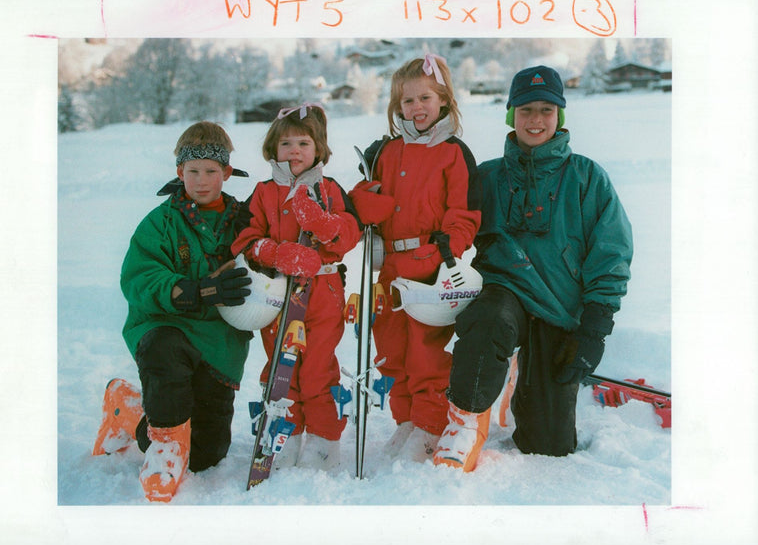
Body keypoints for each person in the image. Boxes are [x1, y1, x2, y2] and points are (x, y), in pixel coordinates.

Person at [433, 65, 634, 472]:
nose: (536, 120)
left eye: (546, 109)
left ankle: (517, 381)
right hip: (502, 295)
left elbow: (611, 253)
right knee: (487, 319)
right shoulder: (487, 177)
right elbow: (441, 216)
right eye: (526, 110)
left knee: (549, 445)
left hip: (560, 308)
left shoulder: (587, 177)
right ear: (511, 115)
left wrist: (594, 328)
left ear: (560, 114)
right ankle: (464, 424)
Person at [91, 121, 254, 502]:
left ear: (227, 173)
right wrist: (193, 290)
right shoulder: (160, 222)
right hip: (168, 326)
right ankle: (163, 448)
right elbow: (140, 278)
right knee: (164, 351)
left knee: (206, 454)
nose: (201, 180)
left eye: (211, 171)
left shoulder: (245, 220)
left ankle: (128, 410)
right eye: (192, 171)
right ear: (179, 172)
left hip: (220, 344)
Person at [348, 54, 481, 462]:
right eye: (407, 102)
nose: (416, 108)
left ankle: (429, 425)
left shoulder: (452, 153)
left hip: (427, 265)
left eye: (425, 98)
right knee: (391, 350)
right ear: (396, 107)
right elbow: (377, 207)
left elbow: (464, 213)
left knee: (425, 353)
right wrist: (363, 196)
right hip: (389, 265)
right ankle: (406, 419)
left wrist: (446, 250)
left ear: (443, 100)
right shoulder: (389, 152)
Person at [230, 103, 361, 471]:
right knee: (281, 366)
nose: (295, 151)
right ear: (273, 150)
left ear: (318, 149)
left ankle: (323, 442)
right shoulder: (263, 192)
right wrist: (274, 252)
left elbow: (350, 233)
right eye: (286, 143)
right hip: (279, 293)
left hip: (324, 292)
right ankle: (284, 434)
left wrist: (324, 225)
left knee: (318, 367)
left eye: (304, 142)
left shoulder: (330, 189)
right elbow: (244, 239)